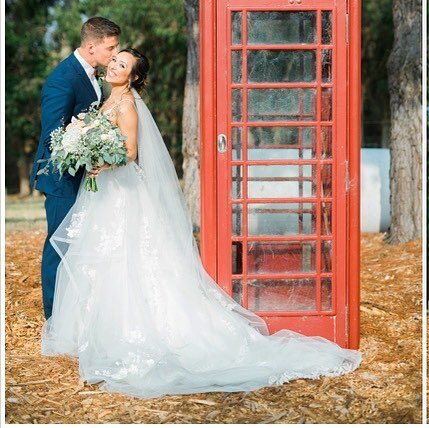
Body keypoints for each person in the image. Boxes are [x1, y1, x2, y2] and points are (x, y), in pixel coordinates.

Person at [41, 48, 361, 397]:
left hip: (121, 191)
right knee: (103, 260)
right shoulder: (106, 101)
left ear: (133, 78)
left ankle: (130, 332)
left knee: (127, 260)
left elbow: (131, 152)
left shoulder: (128, 106)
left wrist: (102, 159)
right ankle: (97, 331)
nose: (114, 66)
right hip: (104, 191)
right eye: (114, 60)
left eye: (122, 65)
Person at [30, 17, 121, 319]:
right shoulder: (62, 79)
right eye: (111, 47)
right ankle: (53, 318)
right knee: (60, 246)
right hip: (60, 179)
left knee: (81, 244)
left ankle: (75, 313)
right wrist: (87, 152)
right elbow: (53, 134)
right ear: (91, 46)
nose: (115, 53)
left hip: (84, 174)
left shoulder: (94, 73)